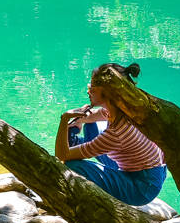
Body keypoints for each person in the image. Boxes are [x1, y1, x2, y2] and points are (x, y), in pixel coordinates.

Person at [54, 61, 168, 205]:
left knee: (72, 165)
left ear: (107, 94)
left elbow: (61, 156)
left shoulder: (117, 132)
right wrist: (81, 120)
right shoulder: (123, 109)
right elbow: (95, 116)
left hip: (141, 187)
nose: (88, 90)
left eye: (93, 89)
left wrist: (64, 119)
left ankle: (75, 146)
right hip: (148, 169)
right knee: (90, 125)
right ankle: (76, 144)